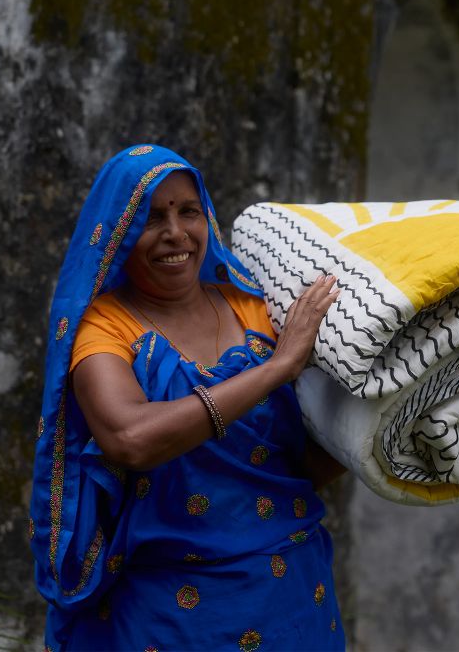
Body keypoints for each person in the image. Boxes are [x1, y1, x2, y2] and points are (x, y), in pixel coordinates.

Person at [30, 144, 346, 651]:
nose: (175, 233)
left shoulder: (256, 308)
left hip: (289, 596)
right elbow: (129, 438)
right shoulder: (106, 327)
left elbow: (296, 466)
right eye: (152, 217)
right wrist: (277, 369)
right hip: (169, 616)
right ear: (119, 232)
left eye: (188, 212)